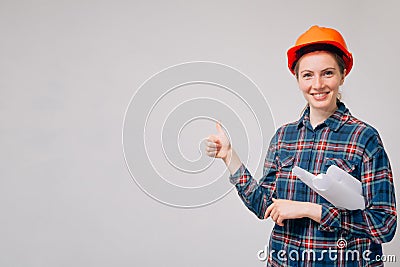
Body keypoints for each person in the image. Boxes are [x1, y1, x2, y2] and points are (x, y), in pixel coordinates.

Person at [206, 25, 397, 266]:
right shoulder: (284, 137)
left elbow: (384, 225)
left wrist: (310, 210)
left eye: (327, 73)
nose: (317, 84)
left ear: (342, 75)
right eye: (307, 75)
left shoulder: (364, 138)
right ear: (297, 79)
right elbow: (264, 206)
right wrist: (229, 157)